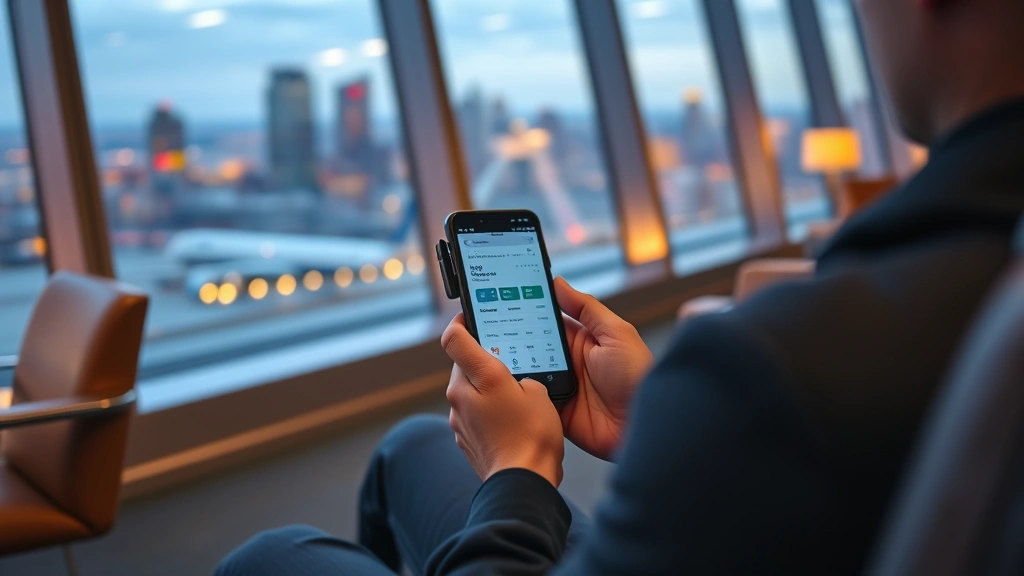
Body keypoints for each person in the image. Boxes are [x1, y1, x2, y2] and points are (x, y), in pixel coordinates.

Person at [216, 0, 1024, 573]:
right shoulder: (975, 278)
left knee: (269, 554)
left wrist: (521, 471)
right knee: (410, 448)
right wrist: (657, 428)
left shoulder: (783, 363)